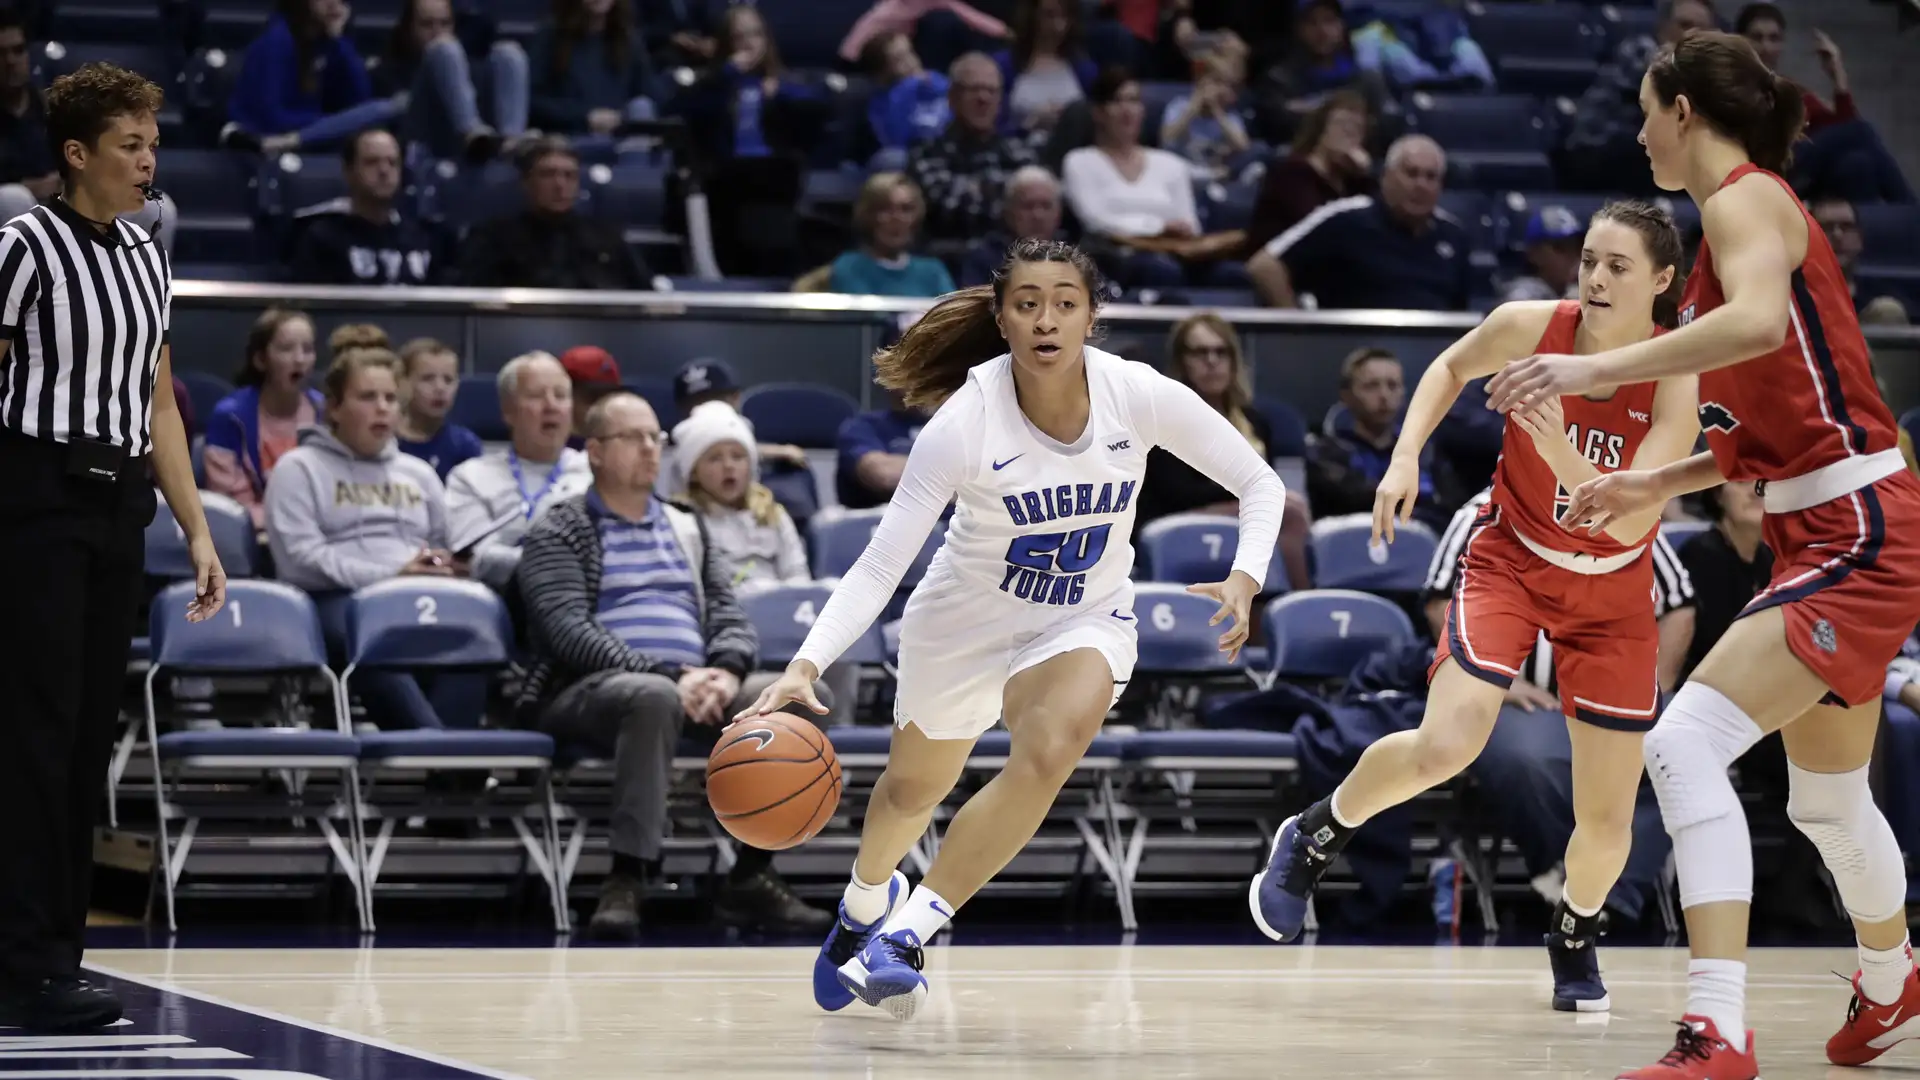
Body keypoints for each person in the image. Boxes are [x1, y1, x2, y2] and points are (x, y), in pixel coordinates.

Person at [1485, 31, 1920, 1080]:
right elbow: (1750, 422)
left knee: (1681, 747)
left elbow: (1760, 322)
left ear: (1684, 113)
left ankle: (1716, 1033)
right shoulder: (1722, 233)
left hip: (1856, 526)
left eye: (1646, 111)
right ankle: (1894, 980)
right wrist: (1651, 483)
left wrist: (1591, 374)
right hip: (1822, 524)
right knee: (1824, 801)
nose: (1637, 132)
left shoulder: (1745, 200)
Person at [732, 238, 1287, 1020]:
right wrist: (806, 664)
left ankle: (910, 931)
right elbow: (879, 565)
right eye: (1027, 304)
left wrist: (1246, 574)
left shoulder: (1137, 393)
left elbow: (1259, 482)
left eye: (1065, 302)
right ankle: (861, 911)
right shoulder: (963, 423)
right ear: (1001, 319)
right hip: (962, 625)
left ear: (1092, 317)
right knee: (909, 792)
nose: (1046, 319)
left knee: (1053, 746)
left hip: (1081, 617)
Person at [1251, 202, 1699, 1017]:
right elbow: (1448, 368)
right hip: (1514, 558)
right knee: (1446, 745)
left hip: (1614, 586)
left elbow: (1630, 517)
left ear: (1663, 281)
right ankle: (1316, 833)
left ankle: (1573, 930)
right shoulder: (1531, 324)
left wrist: (1558, 436)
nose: (1595, 278)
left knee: (1606, 820)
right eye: (1589, 260)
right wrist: (1404, 458)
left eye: (1618, 266)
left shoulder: (1676, 372)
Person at [0, 61, 226, 1031]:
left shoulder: (144, 255)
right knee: (32, 741)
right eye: (131, 146)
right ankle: (22, 964)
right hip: (34, 500)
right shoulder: (21, 246)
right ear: (77, 153)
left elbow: (158, 399)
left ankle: (60, 953)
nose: (148, 162)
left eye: (154, 144)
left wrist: (198, 526)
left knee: (89, 739)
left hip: (117, 506)